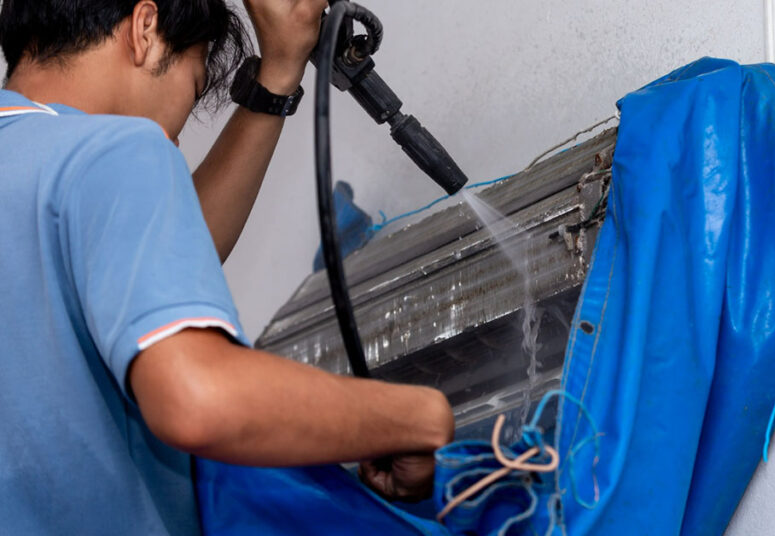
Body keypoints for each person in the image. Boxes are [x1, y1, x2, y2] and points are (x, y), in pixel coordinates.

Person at [0, 0, 455, 533]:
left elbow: (164, 254)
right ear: (144, 29)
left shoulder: (30, 166)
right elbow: (196, 397)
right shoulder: (120, 149)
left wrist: (279, 72)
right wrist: (416, 418)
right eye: (193, 92)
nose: (172, 139)